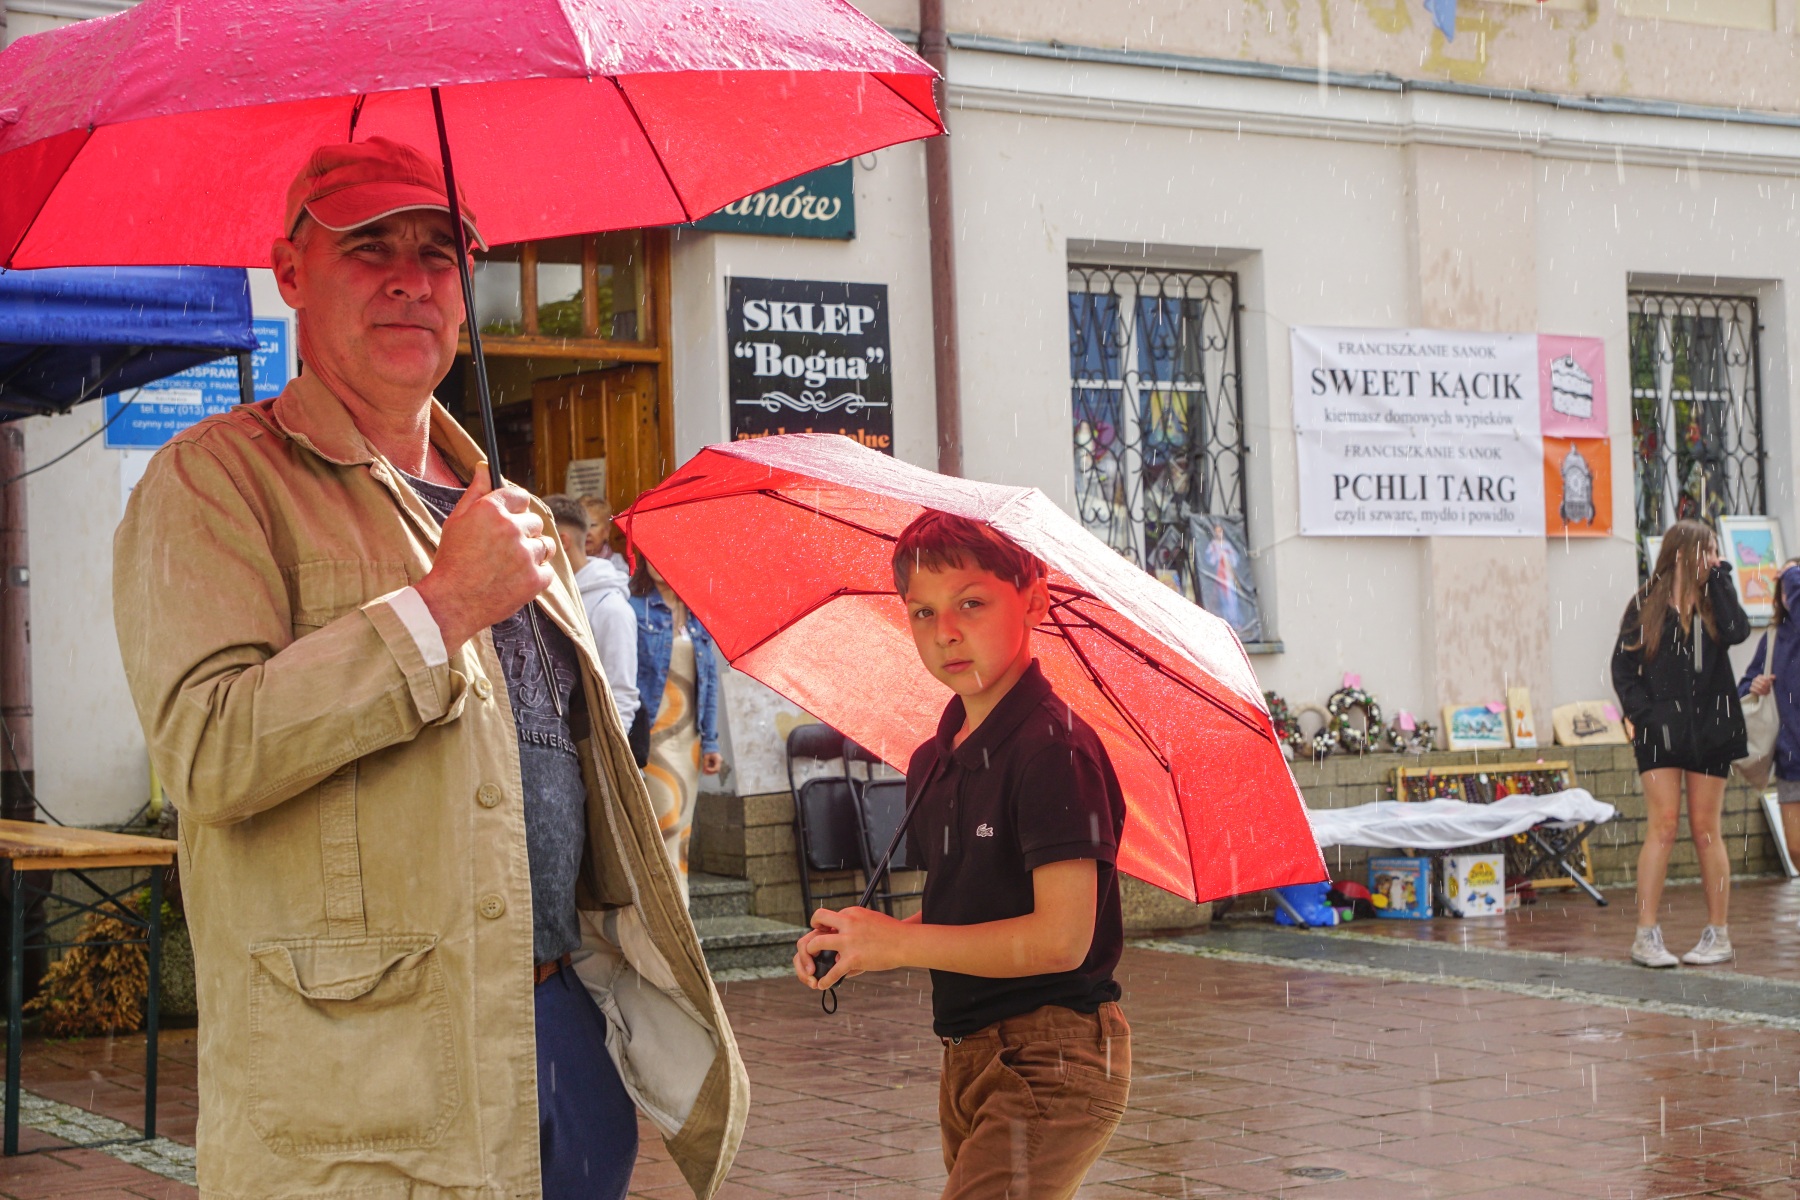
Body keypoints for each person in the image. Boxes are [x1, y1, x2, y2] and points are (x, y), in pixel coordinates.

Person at [112, 137, 745, 1199]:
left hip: (560, 1030)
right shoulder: (215, 481)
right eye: (370, 246)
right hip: (369, 1079)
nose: (411, 279)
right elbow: (210, 751)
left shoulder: (516, 513)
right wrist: (438, 609)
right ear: (290, 272)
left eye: (439, 251)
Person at [793, 511, 1130, 1200]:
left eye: (971, 604)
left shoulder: (1054, 750)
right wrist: (866, 940)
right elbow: (970, 914)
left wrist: (899, 946)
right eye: (922, 611)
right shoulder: (932, 761)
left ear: (1033, 599)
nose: (945, 631)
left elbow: (1062, 940)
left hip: (1050, 1057)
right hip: (969, 1055)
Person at [1612, 518, 1751, 969]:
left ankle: (1719, 932)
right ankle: (1646, 933)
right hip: (1659, 735)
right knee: (1664, 825)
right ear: (1681, 554)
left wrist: (1721, 578)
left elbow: (1737, 631)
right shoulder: (1645, 605)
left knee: (1707, 829)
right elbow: (1622, 669)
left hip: (1712, 731)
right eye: (1707, 550)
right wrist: (1645, 716)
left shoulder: (1715, 600)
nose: (1713, 558)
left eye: (1716, 550)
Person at [631, 558, 723, 899]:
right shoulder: (633, 608)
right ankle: (674, 912)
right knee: (663, 827)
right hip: (652, 738)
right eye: (649, 554)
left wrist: (711, 741)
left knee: (682, 832)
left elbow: (709, 683)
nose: (657, 562)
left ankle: (676, 910)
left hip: (689, 742)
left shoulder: (698, 616)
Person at [547, 493, 639, 731]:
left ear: (562, 541)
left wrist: (610, 751)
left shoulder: (611, 608)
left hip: (591, 741)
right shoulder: (550, 595)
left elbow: (621, 694)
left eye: (538, 539)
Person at [1739, 558, 1800, 886]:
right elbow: (1745, 685)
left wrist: (1790, 572)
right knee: (1796, 849)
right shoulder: (1774, 637)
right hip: (1791, 758)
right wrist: (1755, 685)